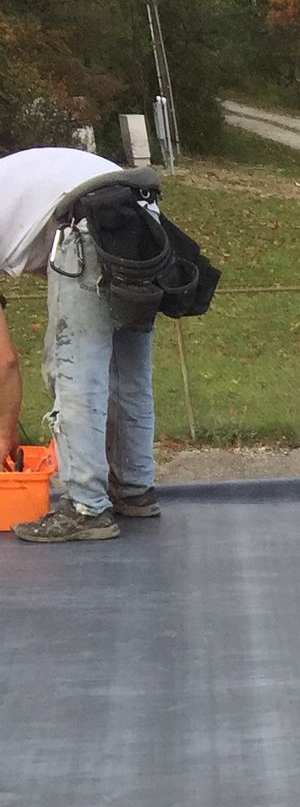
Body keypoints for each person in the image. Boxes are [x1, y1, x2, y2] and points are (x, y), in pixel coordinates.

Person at [0, 143, 160, 543]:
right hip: (141, 217)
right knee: (127, 370)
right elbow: (44, 263)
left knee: (73, 368)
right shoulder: (14, 187)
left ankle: (85, 508)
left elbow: (3, 363)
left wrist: (3, 435)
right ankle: (134, 489)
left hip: (86, 221)